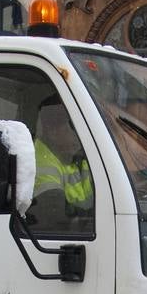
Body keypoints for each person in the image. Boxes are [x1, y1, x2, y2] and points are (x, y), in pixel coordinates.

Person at [30, 99, 94, 231]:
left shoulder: (79, 155)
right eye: (73, 127)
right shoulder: (40, 160)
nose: (79, 134)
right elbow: (55, 215)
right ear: (52, 132)